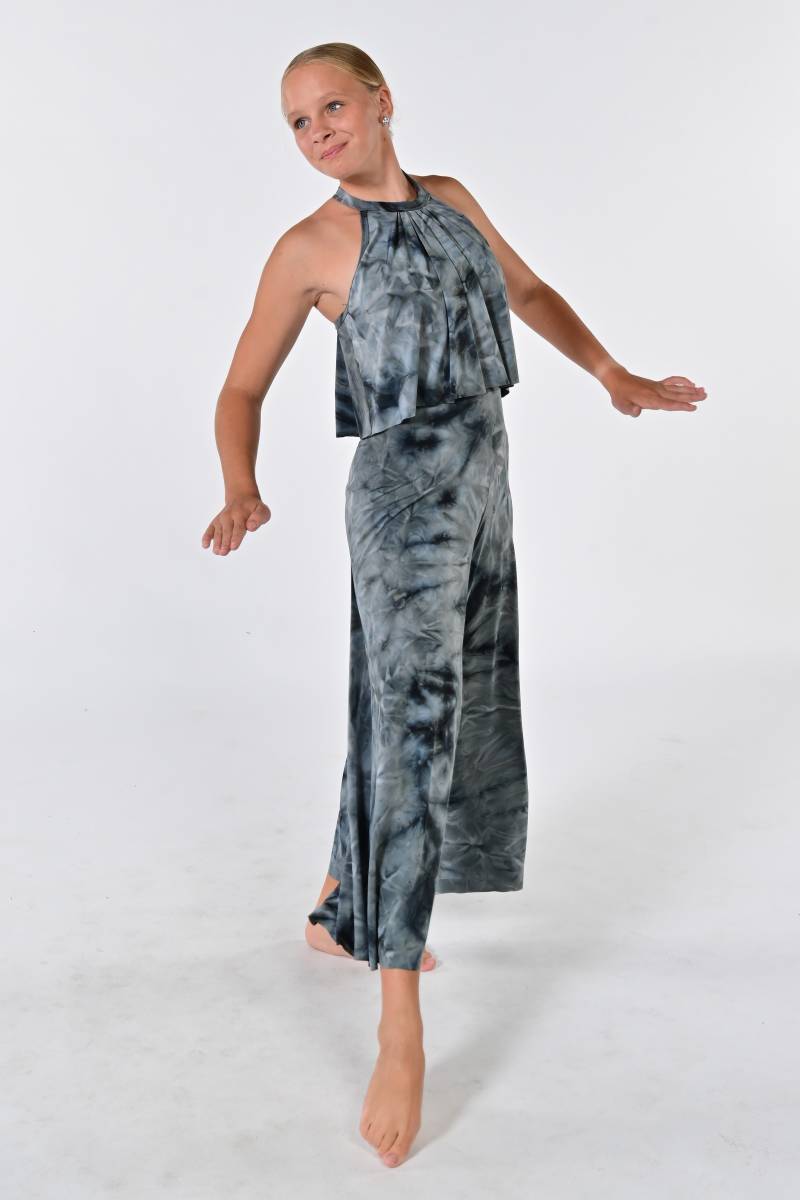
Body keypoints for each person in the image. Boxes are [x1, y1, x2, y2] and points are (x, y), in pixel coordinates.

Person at [201, 42, 706, 1170]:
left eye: (333, 106)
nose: (317, 131)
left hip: (483, 483)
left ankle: (339, 904)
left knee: (415, 699)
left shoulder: (454, 199)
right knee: (418, 725)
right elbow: (240, 385)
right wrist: (240, 484)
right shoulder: (309, 248)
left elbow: (527, 293)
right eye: (296, 121)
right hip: (400, 504)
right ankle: (399, 1021)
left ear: (382, 102)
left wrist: (612, 375)